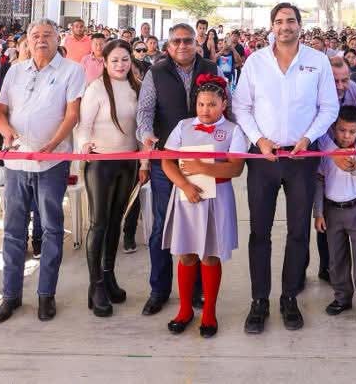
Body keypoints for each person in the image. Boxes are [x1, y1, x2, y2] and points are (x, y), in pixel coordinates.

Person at [232, 3, 337, 334]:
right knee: (259, 232)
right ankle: (259, 301)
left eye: (290, 20)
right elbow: (241, 106)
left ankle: (289, 297)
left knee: (298, 232)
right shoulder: (256, 61)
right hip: (263, 159)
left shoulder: (317, 61)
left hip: (301, 159)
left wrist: (308, 137)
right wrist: (259, 139)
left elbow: (329, 107)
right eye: (279, 21)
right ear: (272, 26)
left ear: (300, 25)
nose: (285, 26)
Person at [0, 19, 85, 324]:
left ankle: (46, 295)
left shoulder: (71, 70)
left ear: (58, 39)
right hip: (16, 163)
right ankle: (10, 295)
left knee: (52, 229)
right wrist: (7, 132)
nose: (41, 40)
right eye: (35, 36)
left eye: (47, 35)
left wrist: (52, 145)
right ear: (27, 41)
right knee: (13, 230)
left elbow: (72, 114)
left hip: (52, 163)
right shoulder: (15, 71)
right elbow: (0, 112)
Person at [135, 23, 218, 315]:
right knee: (162, 226)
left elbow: (224, 105)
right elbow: (145, 111)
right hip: (166, 161)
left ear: (196, 43)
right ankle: (159, 290)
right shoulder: (156, 72)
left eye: (187, 40)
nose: (182, 45)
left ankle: (196, 290)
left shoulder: (210, 68)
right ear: (168, 46)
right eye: (176, 41)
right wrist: (146, 134)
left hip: (201, 160)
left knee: (198, 224)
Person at [160, 75, 247, 338]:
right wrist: (184, 185)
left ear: (223, 104)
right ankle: (185, 309)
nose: (205, 110)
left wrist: (202, 167)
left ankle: (209, 312)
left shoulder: (233, 130)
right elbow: (167, 161)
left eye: (211, 104)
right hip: (186, 198)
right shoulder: (183, 126)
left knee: (210, 254)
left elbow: (236, 168)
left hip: (217, 199)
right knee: (186, 253)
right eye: (200, 104)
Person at [77, 39, 148, 317]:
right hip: (100, 163)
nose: (120, 65)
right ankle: (95, 285)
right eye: (114, 60)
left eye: (125, 59)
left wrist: (144, 162)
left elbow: (142, 130)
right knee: (99, 223)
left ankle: (108, 275)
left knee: (116, 221)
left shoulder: (137, 88)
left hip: (128, 162)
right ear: (104, 63)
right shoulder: (95, 89)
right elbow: (84, 126)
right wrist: (84, 146)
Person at [314, 104, 356, 324]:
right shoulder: (327, 154)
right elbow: (319, 182)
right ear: (334, 128)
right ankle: (342, 297)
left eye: (352, 131)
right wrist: (319, 213)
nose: (346, 135)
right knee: (336, 258)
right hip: (332, 211)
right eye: (342, 130)